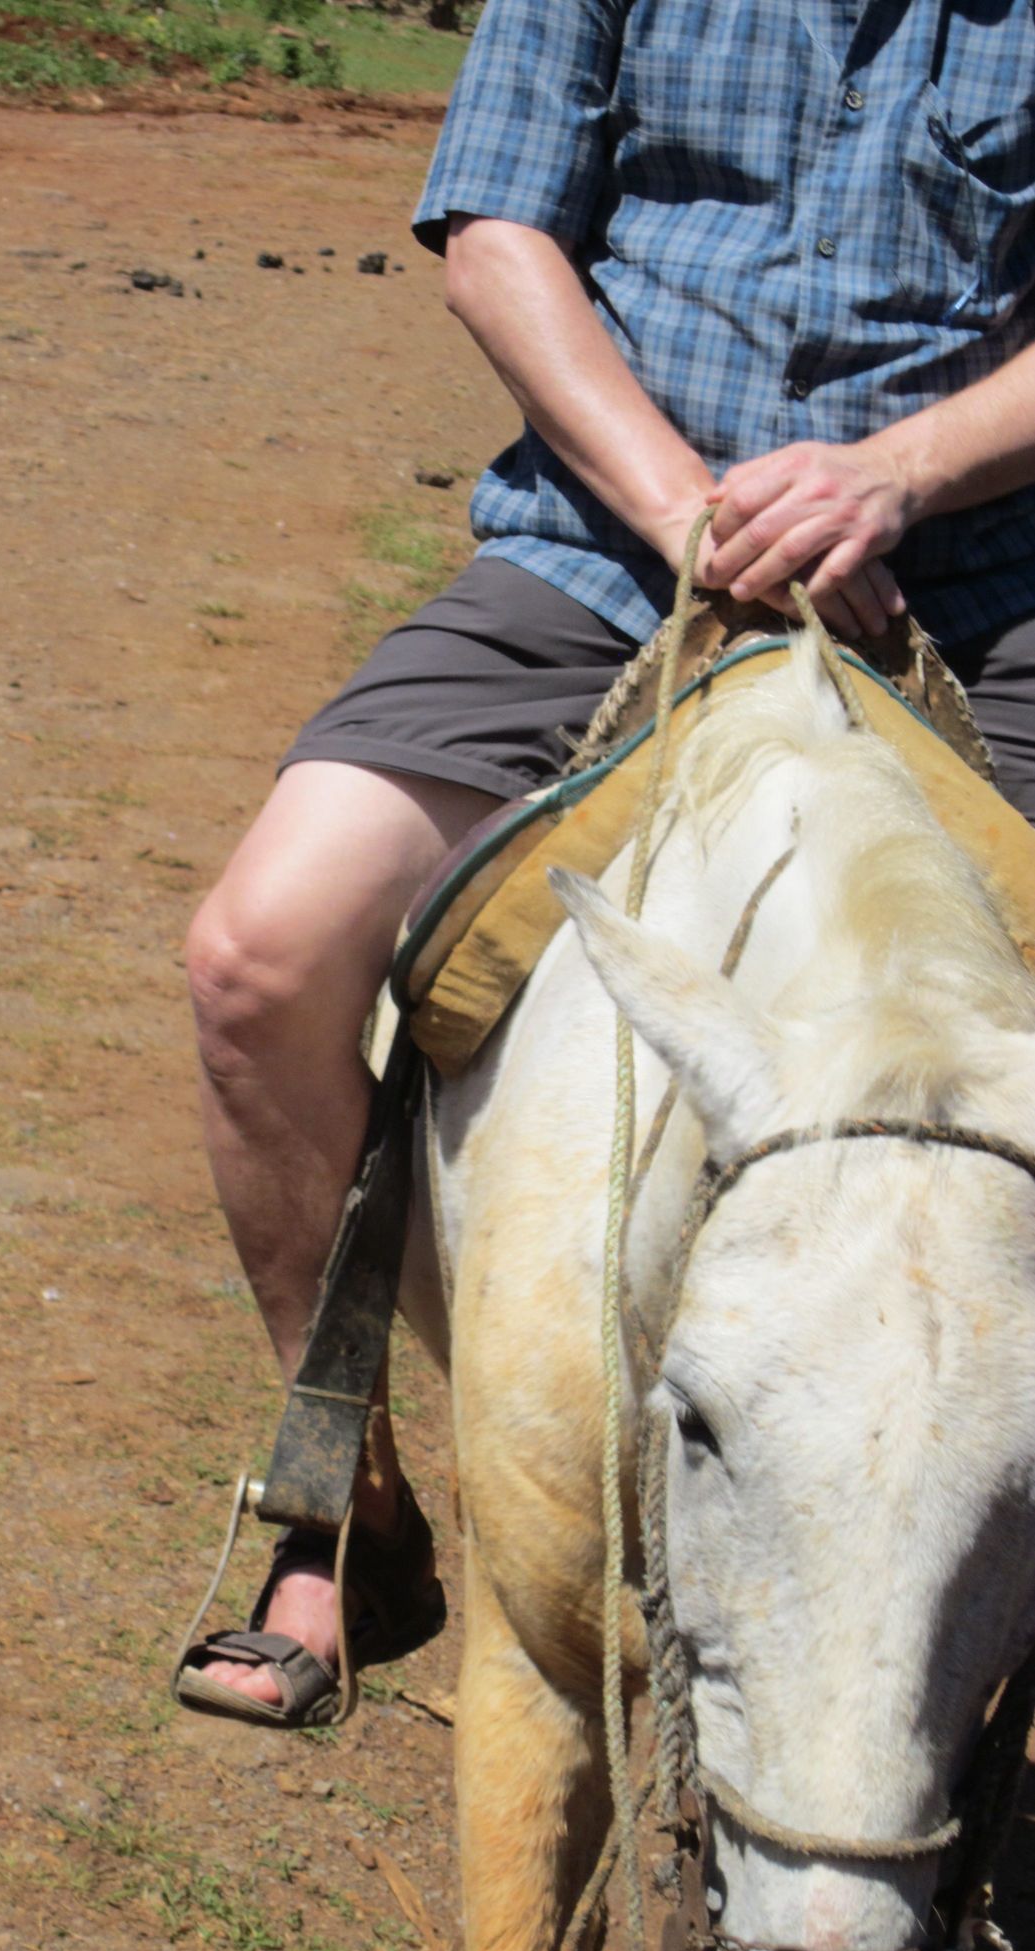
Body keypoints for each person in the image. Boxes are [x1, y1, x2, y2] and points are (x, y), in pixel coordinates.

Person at [180, 0, 1035, 1722]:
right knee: (261, 952)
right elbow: (502, 243)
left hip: (974, 584)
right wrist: (689, 518)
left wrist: (887, 480)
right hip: (601, 556)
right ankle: (342, 1494)